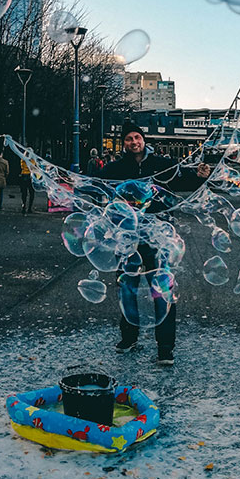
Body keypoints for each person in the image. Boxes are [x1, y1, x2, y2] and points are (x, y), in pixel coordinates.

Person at [100, 122, 211, 366]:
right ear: (124, 143)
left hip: (158, 239)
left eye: (137, 137)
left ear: (143, 139)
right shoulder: (114, 169)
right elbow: (99, 190)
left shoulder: (162, 165)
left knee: (162, 293)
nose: (133, 142)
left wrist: (201, 177)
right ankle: (128, 338)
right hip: (127, 239)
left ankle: (165, 348)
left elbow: (184, 183)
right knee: (127, 290)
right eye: (128, 138)